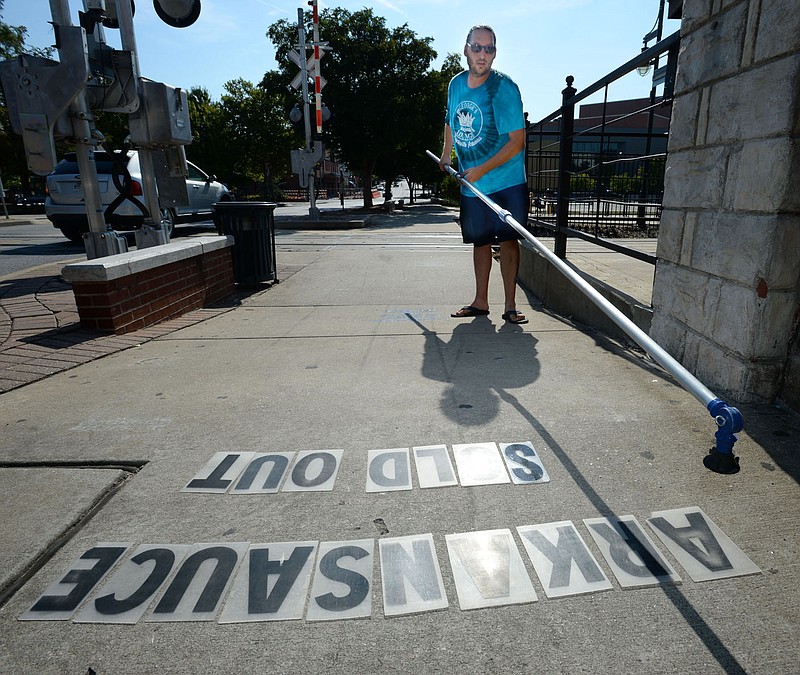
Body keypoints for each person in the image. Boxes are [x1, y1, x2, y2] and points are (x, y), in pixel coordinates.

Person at [440, 24, 529, 325]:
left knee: (507, 240)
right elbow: (450, 121)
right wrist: (445, 153)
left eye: (488, 49)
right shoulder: (455, 84)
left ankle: (510, 305)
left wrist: (480, 170)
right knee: (479, 240)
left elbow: (517, 141)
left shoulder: (504, 88)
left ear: (494, 53)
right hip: (472, 183)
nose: (482, 54)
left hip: (506, 181)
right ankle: (480, 301)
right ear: (465, 49)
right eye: (476, 47)